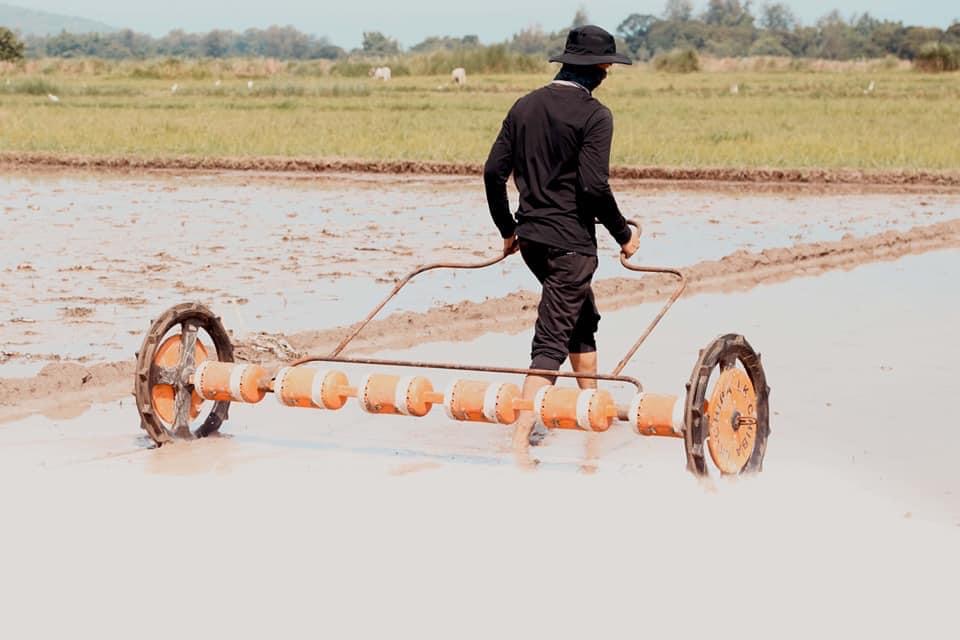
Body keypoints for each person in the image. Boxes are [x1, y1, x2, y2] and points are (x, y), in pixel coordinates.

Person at [483, 25, 640, 457]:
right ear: (598, 68)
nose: (608, 72)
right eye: (607, 66)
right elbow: (594, 187)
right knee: (552, 337)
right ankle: (520, 438)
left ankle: (591, 411)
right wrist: (624, 235)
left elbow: (493, 172)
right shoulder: (595, 115)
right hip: (571, 245)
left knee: (581, 318)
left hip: (532, 240)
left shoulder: (524, 106)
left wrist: (508, 229)